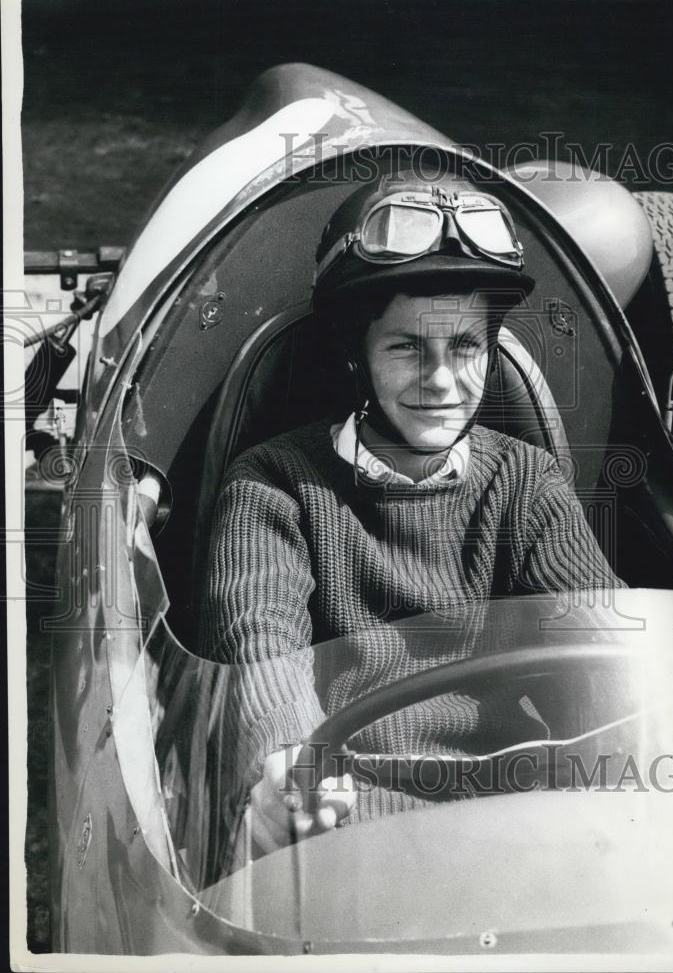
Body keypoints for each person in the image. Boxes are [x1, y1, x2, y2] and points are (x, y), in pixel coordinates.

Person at [199, 169, 623, 856]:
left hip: (515, 818)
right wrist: (292, 766)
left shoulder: (524, 478)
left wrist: (652, 726)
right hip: (345, 814)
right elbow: (259, 636)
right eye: (406, 348)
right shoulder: (274, 483)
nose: (442, 381)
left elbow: (600, 628)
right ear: (356, 356)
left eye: (465, 347)